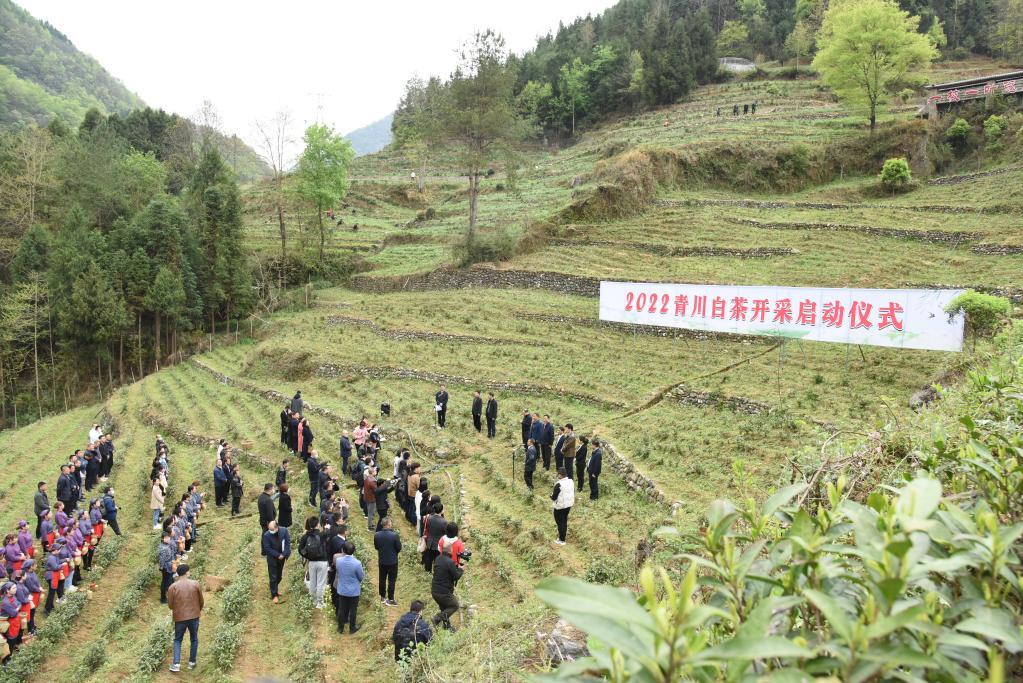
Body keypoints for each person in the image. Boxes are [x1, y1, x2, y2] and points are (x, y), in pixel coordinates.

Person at [166, 563, 204, 673]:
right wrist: (197, 611)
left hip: (179, 618)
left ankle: (176, 664)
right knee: (194, 638)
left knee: (178, 640)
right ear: (187, 572)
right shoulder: (195, 584)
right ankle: (192, 663)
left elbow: (170, 605)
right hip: (194, 616)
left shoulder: (172, 587)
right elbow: (201, 601)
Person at [431, 537, 463, 630]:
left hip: (435, 590)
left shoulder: (438, 558)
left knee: (445, 609)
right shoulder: (450, 562)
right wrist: (461, 570)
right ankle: (437, 618)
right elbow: (456, 576)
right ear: (450, 550)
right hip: (443, 592)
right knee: (454, 605)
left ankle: (447, 627)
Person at [299, 517, 329, 609]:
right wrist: (327, 528)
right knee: (321, 583)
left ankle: (313, 601)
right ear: (317, 525)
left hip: (312, 562)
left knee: (313, 582)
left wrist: (308, 556)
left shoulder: (305, 536)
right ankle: (320, 603)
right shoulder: (322, 534)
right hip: (322, 561)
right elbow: (329, 535)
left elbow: (300, 550)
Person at [334, 542, 363, 634]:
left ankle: (340, 628)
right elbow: (361, 576)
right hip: (354, 590)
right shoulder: (357, 563)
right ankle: (352, 628)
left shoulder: (339, 561)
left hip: (342, 589)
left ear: (343, 550)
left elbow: (338, 571)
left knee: (341, 609)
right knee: (353, 610)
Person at [261, 520, 291, 603]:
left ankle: (274, 588)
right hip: (272, 558)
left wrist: (284, 554)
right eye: (269, 529)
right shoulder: (266, 535)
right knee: (273, 576)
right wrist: (278, 555)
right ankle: (274, 595)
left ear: (277, 527)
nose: (271, 531)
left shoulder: (284, 531)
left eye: (272, 529)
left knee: (279, 576)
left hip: (282, 557)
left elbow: (287, 543)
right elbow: (267, 549)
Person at [374, 517, 401, 606]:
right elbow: (399, 548)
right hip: (392, 561)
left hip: (382, 560)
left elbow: (376, 547)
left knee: (382, 579)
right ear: (388, 524)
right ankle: (391, 599)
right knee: (391, 580)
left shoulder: (377, 535)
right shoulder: (394, 535)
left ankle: (382, 597)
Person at [551, 467, 575, 546]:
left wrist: (550, 496)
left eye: (558, 474)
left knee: (560, 523)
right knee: (564, 521)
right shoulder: (571, 481)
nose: (558, 476)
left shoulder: (558, 484)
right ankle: (562, 536)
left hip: (560, 506)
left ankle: (562, 540)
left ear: (561, 475)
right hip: (568, 505)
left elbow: (554, 497)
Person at [422, 503, 447, 573]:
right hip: (438, 544)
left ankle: (427, 572)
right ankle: (436, 573)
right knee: (437, 560)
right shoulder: (444, 522)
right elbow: (445, 533)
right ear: (441, 511)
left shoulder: (429, 518)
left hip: (430, 541)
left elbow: (426, 528)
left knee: (429, 558)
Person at [158, 529, 177, 603]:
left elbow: (172, 554)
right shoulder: (163, 548)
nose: (168, 539)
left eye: (168, 537)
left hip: (170, 564)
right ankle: (163, 598)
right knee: (165, 582)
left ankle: (171, 593)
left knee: (169, 580)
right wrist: (161, 567)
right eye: (166, 538)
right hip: (166, 567)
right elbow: (162, 559)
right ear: (162, 539)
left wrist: (173, 561)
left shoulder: (167, 545)